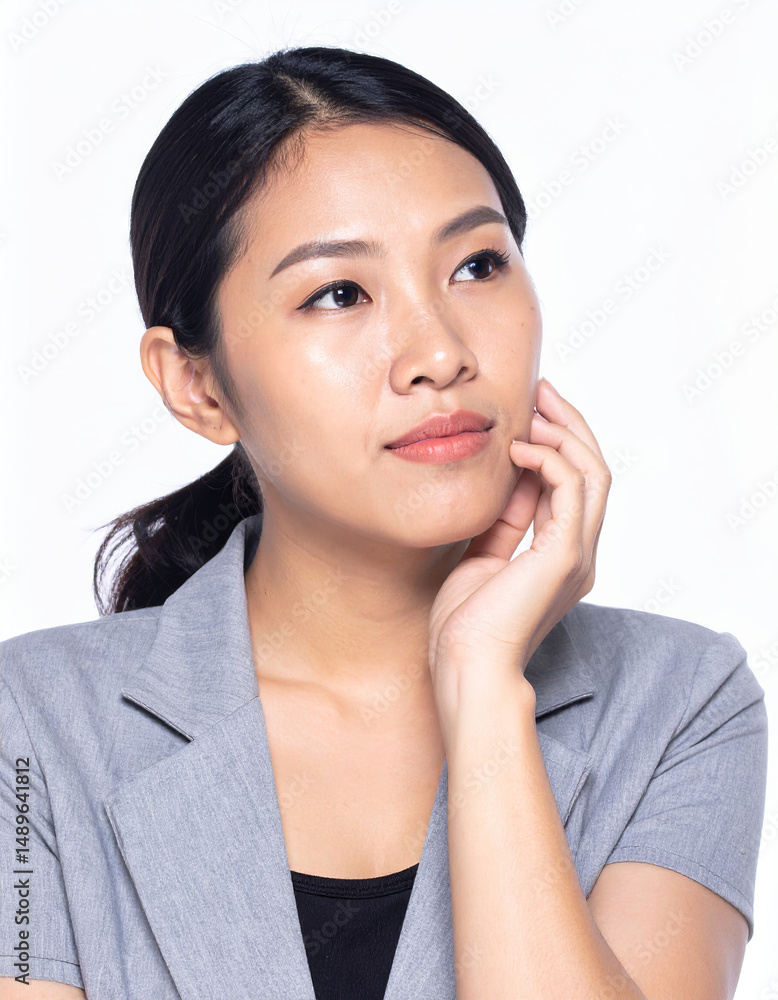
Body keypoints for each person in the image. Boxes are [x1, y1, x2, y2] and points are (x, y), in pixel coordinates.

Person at [0, 45, 768, 1000]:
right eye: (340, 294)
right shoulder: (28, 726)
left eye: (478, 265)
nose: (440, 352)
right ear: (196, 385)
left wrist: (482, 687)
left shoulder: (682, 704)